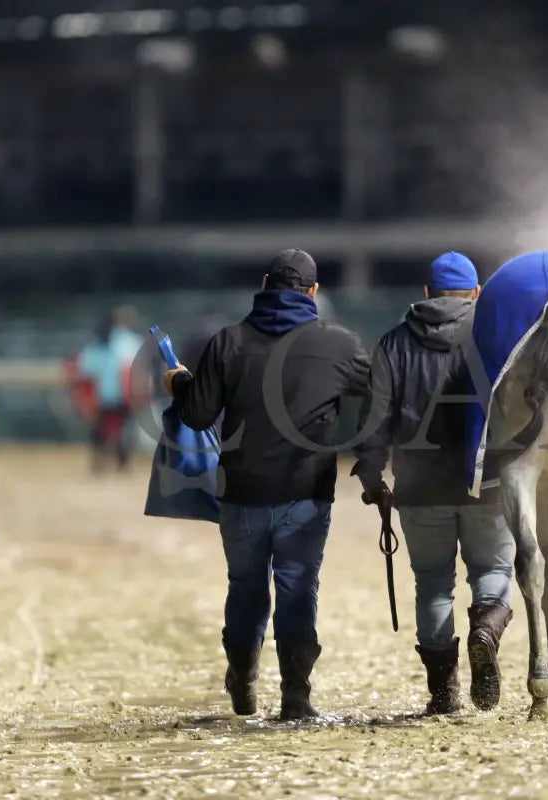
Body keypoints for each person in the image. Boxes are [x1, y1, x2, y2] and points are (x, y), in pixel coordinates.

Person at [163, 249, 370, 720]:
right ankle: (296, 695)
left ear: (264, 284)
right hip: (307, 493)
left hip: (241, 492)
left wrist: (181, 385)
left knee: (246, 588)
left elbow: (197, 415)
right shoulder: (338, 344)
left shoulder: (228, 341)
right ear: (313, 293)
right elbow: (382, 391)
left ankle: (243, 675)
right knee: (298, 589)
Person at [351, 251, 515, 715]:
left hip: (420, 487)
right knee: (494, 570)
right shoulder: (497, 338)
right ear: (476, 293)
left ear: (426, 294)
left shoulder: (393, 344)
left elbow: (374, 419)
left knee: (433, 584)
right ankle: (486, 630)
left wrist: (371, 476)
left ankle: (444, 693)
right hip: (487, 481)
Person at [76, 306, 143, 474]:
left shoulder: (95, 345)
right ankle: (122, 465)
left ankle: (99, 464)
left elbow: (85, 370)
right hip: (122, 394)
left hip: (101, 395)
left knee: (100, 432)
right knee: (123, 430)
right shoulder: (131, 342)